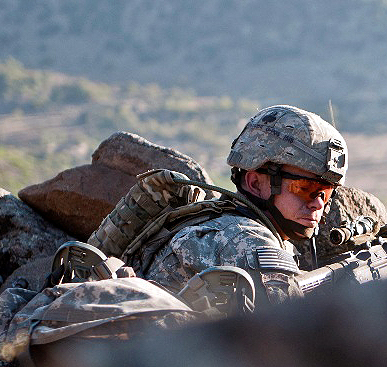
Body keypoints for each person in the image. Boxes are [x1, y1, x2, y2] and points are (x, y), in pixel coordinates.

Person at [142, 104, 348, 316]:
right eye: (305, 188)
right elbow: (299, 331)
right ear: (255, 183)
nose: (318, 203)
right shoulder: (246, 241)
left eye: (325, 193)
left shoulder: (225, 223)